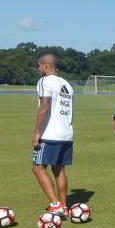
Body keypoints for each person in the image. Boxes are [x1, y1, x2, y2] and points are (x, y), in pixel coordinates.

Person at [31, 54, 75, 217]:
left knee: (38, 168)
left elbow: (44, 106)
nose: (38, 69)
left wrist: (37, 131)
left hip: (50, 134)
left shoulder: (45, 81)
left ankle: (55, 205)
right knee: (59, 170)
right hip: (66, 133)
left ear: (46, 66)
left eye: (39, 66)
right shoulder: (67, 85)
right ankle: (64, 207)